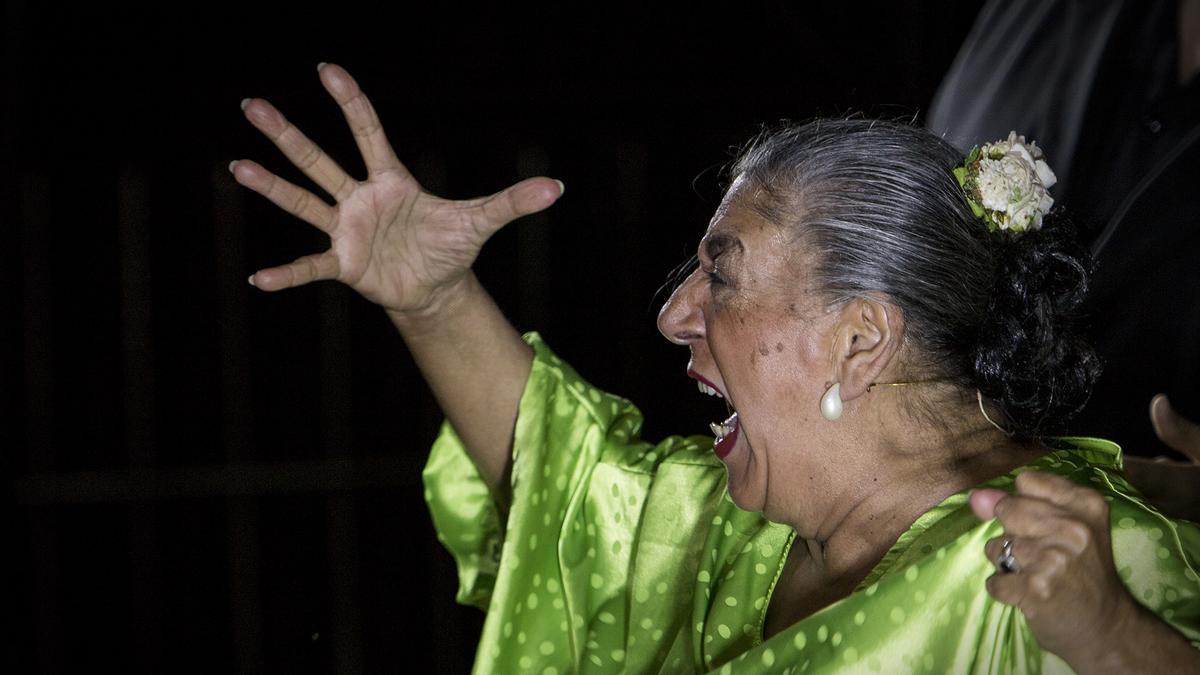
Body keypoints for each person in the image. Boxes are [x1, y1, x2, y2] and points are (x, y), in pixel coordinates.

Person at [233, 64, 1200, 673]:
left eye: (721, 278)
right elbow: (573, 501)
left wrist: (1117, 642)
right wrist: (434, 302)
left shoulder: (1084, 564)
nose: (673, 316)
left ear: (860, 338)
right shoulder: (745, 533)